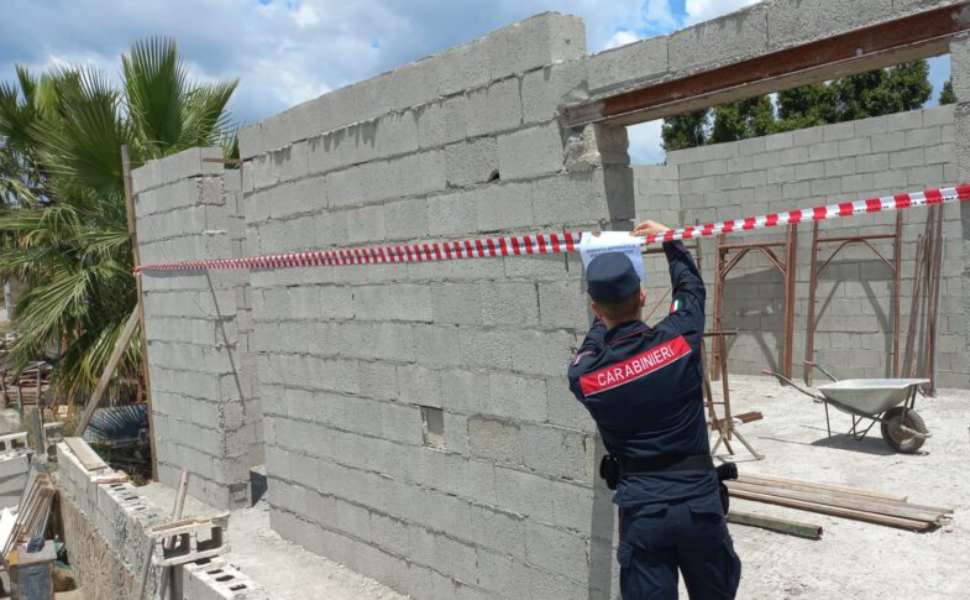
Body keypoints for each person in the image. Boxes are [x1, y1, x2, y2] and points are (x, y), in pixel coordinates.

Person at [567, 220, 741, 599]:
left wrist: (601, 321)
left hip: (643, 512)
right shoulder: (679, 340)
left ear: (596, 308)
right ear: (643, 296)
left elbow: (590, 350)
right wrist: (671, 241)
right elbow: (691, 290)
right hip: (699, 505)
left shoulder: (587, 377)